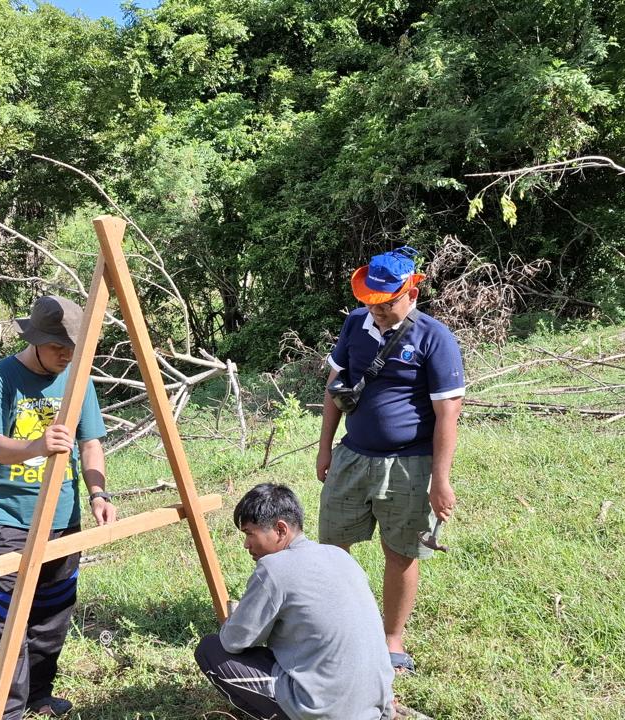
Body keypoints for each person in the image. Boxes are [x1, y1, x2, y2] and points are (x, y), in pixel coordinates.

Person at [316, 246, 464, 675]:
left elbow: (447, 414)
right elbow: (335, 386)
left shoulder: (435, 338)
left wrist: (441, 479)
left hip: (409, 465)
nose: (377, 312)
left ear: (411, 293)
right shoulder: (353, 326)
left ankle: (390, 640)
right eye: (371, 303)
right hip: (353, 457)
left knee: (400, 552)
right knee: (333, 548)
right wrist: (326, 447)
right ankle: (334, 627)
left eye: (387, 303)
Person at [0, 295, 118, 719]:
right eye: (58, 347)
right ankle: (6, 709)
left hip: (63, 517)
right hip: (8, 518)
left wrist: (98, 494)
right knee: (9, 618)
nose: (65, 356)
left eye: (73, 349)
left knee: (53, 612)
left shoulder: (79, 380)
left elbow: (91, 443)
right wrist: (37, 444)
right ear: (35, 339)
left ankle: (39, 695)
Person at [196, 483, 394, 720]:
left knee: (210, 649)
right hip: (377, 703)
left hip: (324, 710)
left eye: (250, 533)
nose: (246, 544)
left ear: (280, 529)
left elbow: (233, 641)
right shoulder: (339, 555)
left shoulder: (272, 568)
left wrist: (237, 619)